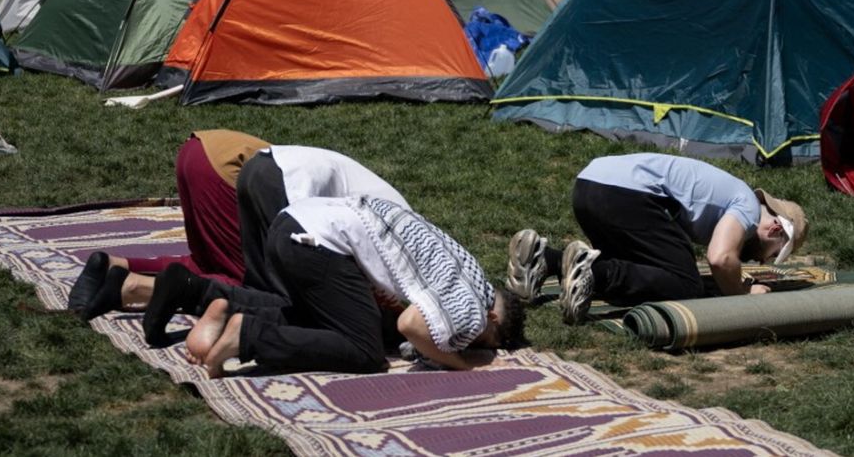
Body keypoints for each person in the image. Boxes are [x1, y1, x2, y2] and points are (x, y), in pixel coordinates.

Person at [183, 195, 526, 377]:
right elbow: (411, 326)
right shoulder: (473, 307)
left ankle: (232, 312)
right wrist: (461, 364)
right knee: (365, 352)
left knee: (328, 325)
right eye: (490, 342)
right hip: (318, 242)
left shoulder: (465, 267)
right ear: (493, 321)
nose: (478, 343)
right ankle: (247, 337)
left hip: (292, 225)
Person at [140, 145, 411, 346]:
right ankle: (228, 319)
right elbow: (370, 291)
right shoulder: (411, 262)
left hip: (261, 168)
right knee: (307, 308)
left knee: (266, 290)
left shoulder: (410, 232)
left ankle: (189, 288)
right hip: (289, 186)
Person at [506, 153, 809, 325]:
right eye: (775, 255)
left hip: (589, 185)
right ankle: (591, 273)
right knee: (685, 283)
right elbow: (719, 258)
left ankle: (542, 260)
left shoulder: (734, 195)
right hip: (627, 194)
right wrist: (742, 298)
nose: (761, 261)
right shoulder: (747, 207)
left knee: (642, 267)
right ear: (776, 230)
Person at [67, 130, 269, 320]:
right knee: (248, 283)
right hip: (224, 167)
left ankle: (114, 266)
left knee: (205, 262)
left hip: (198, 148)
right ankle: (138, 288)